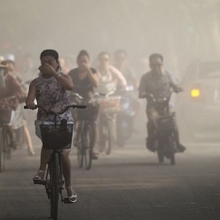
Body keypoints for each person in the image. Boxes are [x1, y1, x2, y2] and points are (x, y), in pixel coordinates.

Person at [25, 49, 77, 203]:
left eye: (50, 62)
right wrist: (31, 104)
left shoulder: (64, 77)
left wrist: (55, 74)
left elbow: (69, 86)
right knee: (50, 138)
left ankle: (69, 187)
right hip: (44, 119)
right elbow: (30, 99)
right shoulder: (36, 82)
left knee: (65, 153)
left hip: (64, 120)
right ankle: (41, 171)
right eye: (43, 63)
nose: (46, 65)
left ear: (57, 63)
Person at [138, 53, 186, 152]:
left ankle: (177, 143)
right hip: (153, 106)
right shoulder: (145, 78)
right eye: (153, 65)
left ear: (162, 64)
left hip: (167, 105)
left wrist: (177, 88)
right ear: (150, 66)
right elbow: (141, 91)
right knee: (152, 121)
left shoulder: (168, 74)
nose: (156, 67)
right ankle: (151, 140)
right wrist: (143, 94)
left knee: (173, 122)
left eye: (158, 65)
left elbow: (174, 85)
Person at [68, 50, 99, 159]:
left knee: (93, 123)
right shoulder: (72, 73)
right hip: (75, 98)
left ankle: (92, 148)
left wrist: (88, 71)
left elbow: (96, 84)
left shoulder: (93, 71)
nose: (83, 63)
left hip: (89, 99)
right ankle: (76, 134)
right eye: (81, 61)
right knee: (72, 110)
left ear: (89, 62)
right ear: (77, 62)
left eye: (85, 61)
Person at [5, 59, 35, 156]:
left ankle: (30, 147)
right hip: (3, 106)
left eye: (8, 68)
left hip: (14, 106)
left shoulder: (14, 79)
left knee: (23, 124)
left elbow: (22, 90)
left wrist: (21, 95)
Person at [113, 49, 142, 132]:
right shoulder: (111, 69)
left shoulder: (129, 70)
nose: (120, 61)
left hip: (127, 95)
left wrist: (138, 87)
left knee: (139, 103)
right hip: (113, 96)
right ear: (115, 59)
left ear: (126, 60)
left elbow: (135, 81)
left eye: (122, 58)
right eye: (118, 58)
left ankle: (132, 123)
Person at [0, 61, 26, 149]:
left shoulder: (10, 77)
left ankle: (12, 140)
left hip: (8, 104)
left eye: (1, 68)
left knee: (7, 122)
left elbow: (19, 89)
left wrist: (20, 94)